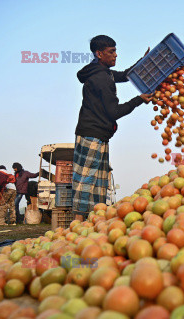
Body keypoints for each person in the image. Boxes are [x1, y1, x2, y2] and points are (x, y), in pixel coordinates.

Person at [72, 35, 153, 220]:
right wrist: (139, 100)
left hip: (100, 134)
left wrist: (142, 62)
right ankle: (76, 223)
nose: (116, 55)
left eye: (115, 50)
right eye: (111, 52)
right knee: (86, 180)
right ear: (99, 54)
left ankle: (95, 221)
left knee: (99, 181)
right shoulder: (101, 78)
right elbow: (114, 111)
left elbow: (125, 75)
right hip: (91, 133)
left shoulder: (104, 72)